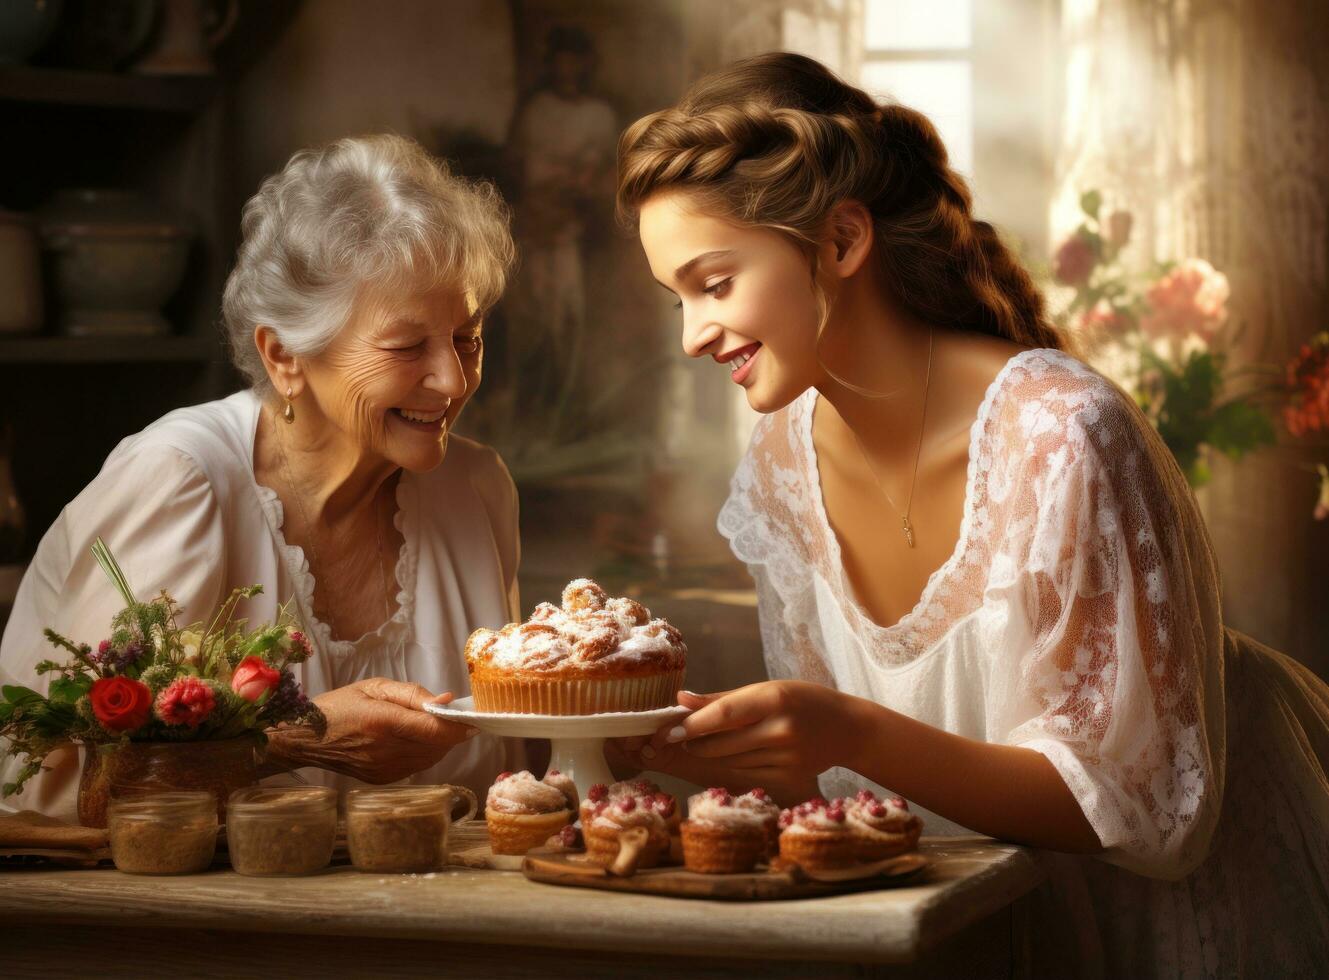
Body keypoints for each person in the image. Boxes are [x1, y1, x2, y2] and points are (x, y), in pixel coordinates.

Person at [615, 53, 1329, 975]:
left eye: (713, 285)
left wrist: (842, 726)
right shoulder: (781, 467)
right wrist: (668, 745)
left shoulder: (1065, 435)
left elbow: (1143, 811)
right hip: (964, 924)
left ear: (839, 241)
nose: (692, 336)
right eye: (677, 298)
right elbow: (850, 787)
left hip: (1166, 921)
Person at [1, 134, 522, 817]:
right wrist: (295, 742)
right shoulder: (179, 482)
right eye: (406, 345)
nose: (453, 380)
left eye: (468, 337)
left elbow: (524, 763)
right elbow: (55, 786)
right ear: (283, 357)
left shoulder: (474, 487)